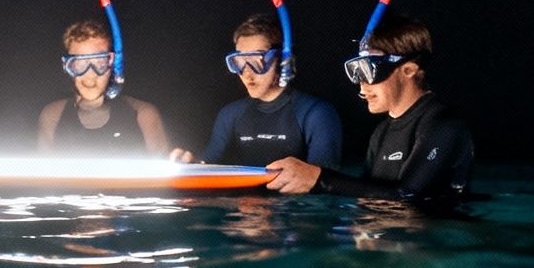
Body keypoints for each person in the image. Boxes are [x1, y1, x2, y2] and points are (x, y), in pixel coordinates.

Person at [265, 13, 473, 209]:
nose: (362, 85)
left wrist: (319, 179)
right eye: (358, 72)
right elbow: (365, 197)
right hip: (391, 240)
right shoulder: (381, 132)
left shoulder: (445, 125)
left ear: (408, 70)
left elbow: (409, 196)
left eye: (371, 70)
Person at [170, 12, 342, 170]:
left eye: (257, 60)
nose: (247, 72)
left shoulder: (317, 113)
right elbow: (208, 166)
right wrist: (191, 166)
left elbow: (326, 181)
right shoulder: (230, 114)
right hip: (245, 202)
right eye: (240, 61)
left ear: (282, 61)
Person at [36, 18, 171, 156]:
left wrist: (184, 164)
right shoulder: (53, 115)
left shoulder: (143, 115)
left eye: (100, 62)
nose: (90, 75)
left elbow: (168, 172)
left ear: (112, 64)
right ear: (67, 67)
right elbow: (41, 174)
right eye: (80, 64)